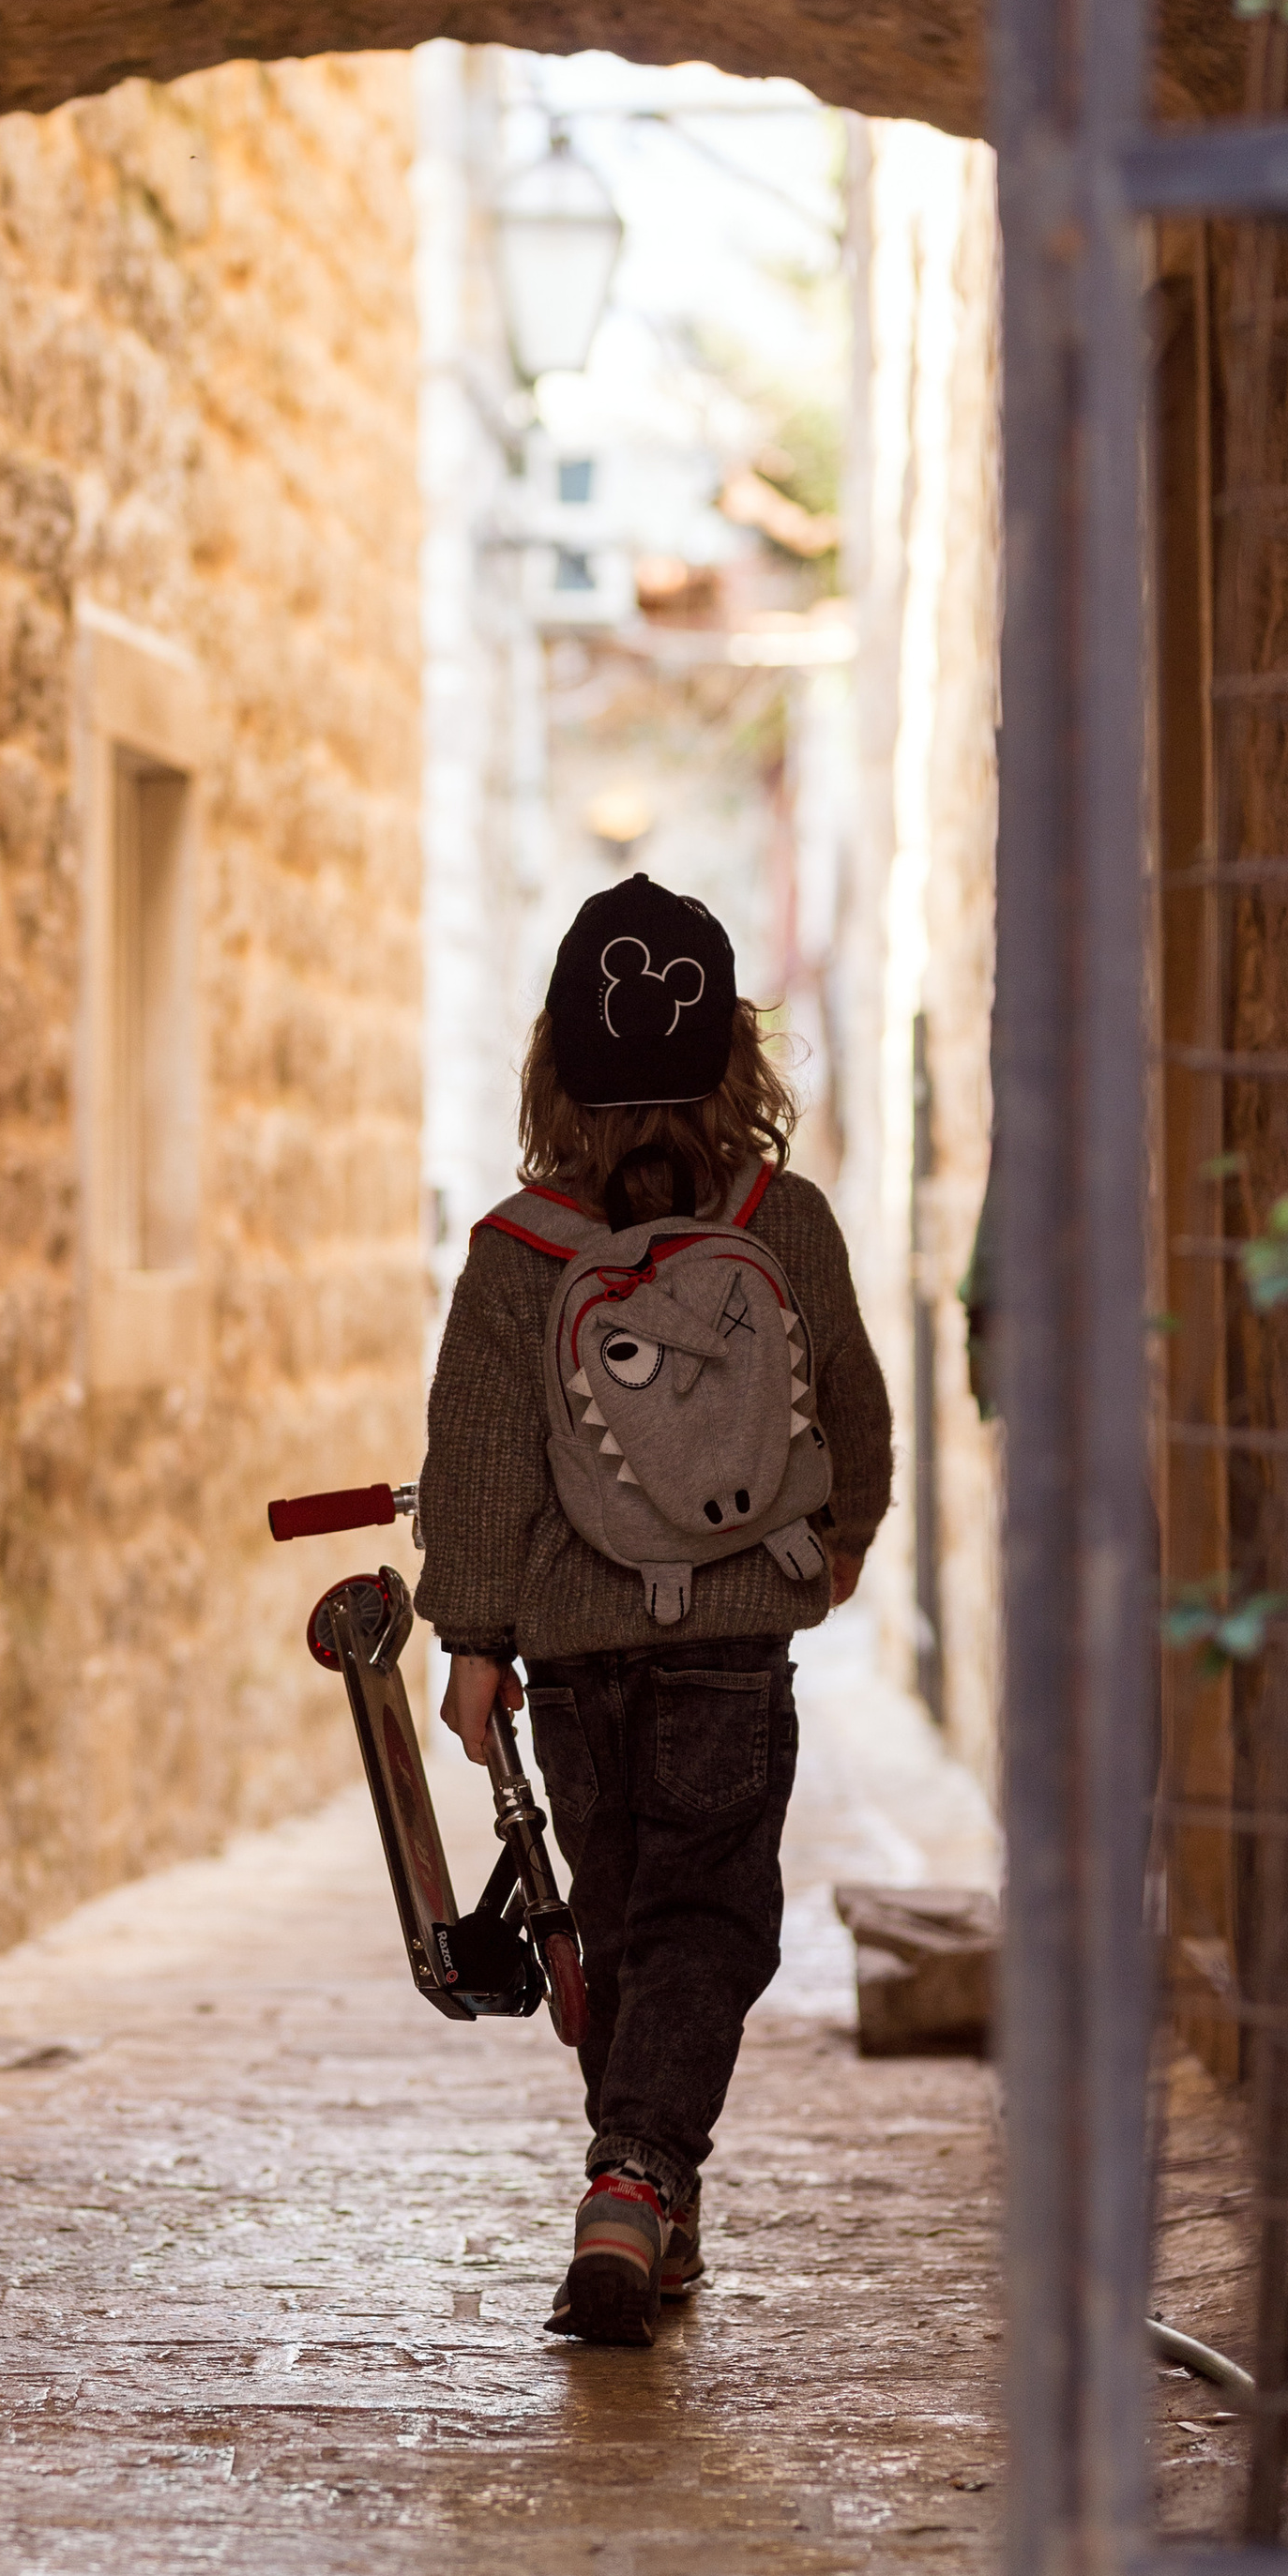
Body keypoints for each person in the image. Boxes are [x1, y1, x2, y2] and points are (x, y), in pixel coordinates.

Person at [415, 873, 895, 2345]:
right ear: (734, 1061)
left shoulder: (518, 1253)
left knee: (619, 1928)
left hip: (576, 1657)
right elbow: (857, 1414)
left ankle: (639, 2199)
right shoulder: (785, 1220)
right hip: (732, 1644)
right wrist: (841, 1541)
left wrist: (477, 1637)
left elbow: (482, 1458)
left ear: (554, 1066)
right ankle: (639, 2181)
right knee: (711, 1917)